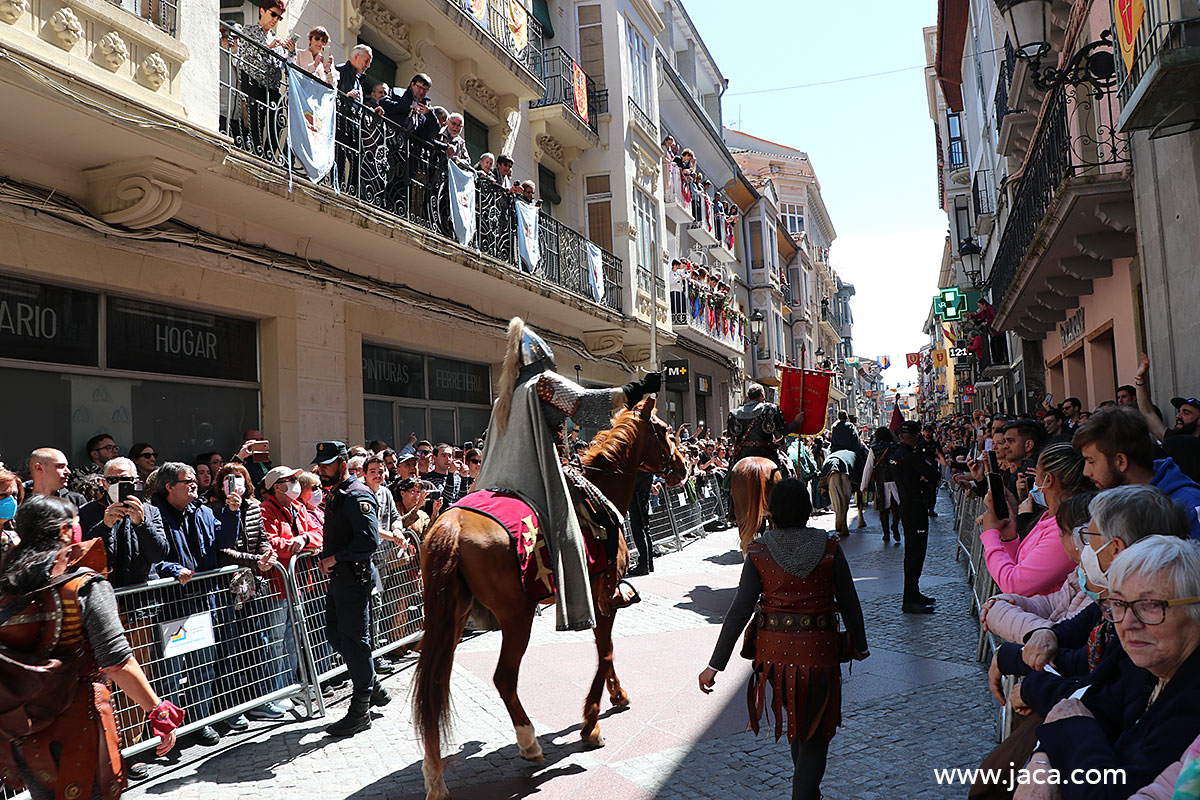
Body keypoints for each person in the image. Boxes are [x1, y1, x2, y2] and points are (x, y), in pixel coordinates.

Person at [472, 317, 661, 631]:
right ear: (543, 357)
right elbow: (585, 404)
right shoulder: (542, 383)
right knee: (610, 514)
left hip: (502, 480)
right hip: (547, 473)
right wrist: (638, 388)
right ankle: (608, 588)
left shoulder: (505, 397)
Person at [0, 496, 183, 800]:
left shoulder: (7, 585)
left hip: (24, 724)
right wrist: (158, 710)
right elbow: (116, 662)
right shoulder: (85, 585)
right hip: (79, 722)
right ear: (63, 531)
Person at [699, 479, 867, 800]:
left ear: (771, 512)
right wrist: (859, 643)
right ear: (807, 510)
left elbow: (739, 611)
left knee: (798, 721)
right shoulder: (829, 547)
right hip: (820, 654)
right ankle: (804, 794)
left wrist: (714, 665)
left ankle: (805, 793)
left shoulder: (760, 551)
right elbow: (849, 600)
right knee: (814, 733)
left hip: (774, 657)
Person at [1014, 536, 1200, 800]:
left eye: (1150, 606)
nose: (1127, 623)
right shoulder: (1147, 667)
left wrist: (1072, 727)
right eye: (1118, 604)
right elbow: (1086, 707)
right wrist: (1042, 759)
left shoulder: (1192, 702)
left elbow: (1109, 792)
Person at [311, 441, 389, 736]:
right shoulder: (337, 494)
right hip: (340, 578)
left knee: (355, 640)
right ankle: (371, 684)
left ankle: (360, 709)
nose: (321, 470)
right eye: (319, 465)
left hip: (354, 578)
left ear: (343, 464)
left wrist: (335, 557)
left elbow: (369, 542)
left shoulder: (356, 494)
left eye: (327, 464)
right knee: (334, 633)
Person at [979, 444, 1092, 597]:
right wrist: (1009, 538)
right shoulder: (1048, 517)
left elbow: (1014, 584)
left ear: (1048, 479)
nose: (1034, 482)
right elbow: (1020, 565)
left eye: (1037, 474)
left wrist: (990, 535)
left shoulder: (1064, 531)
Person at [1074, 406, 1200, 539]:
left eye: (1091, 461)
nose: (1086, 472)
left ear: (1121, 461)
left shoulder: (1191, 505)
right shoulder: (1113, 502)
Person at [78, 457, 168, 588]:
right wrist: (104, 526)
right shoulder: (87, 512)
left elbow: (158, 555)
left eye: (125, 480)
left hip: (141, 595)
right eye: (113, 480)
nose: (118, 484)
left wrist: (141, 524)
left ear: (136, 482)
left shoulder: (150, 511)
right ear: (104, 483)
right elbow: (84, 556)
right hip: (105, 591)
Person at [888, 420, 940, 613]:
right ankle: (909, 598)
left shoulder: (896, 455)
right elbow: (933, 475)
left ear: (900, 436)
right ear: (917, 437)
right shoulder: (912, 456)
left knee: (912, 552)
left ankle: (913, 592)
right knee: (916, 552)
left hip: (906, 505)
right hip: (916, 507)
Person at [236, 0, 294, 159]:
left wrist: (290, 52)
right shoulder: (249, 30)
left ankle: (268, 154)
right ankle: (255, 152)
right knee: (256, 120)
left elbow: (285, 66)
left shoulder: (277, 38)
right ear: (262, 11)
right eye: (273, 14)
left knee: (278, 121)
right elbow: (245, 53)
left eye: (279, 17)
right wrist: (268, 47)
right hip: (253, 80)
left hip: (272, 86)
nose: (275, 19)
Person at [860, 427, 901, 543]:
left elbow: (868, 468)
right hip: (895, 481)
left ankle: (886, 533)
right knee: (896, 506)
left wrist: (864, 485)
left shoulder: (874, 449)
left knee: (883, 510)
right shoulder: (896, 447)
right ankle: (895, 527)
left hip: (881, 481)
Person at [25, 448, 87, 513]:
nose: (68, 472)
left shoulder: (76, 500)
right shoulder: (18, 501)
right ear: (39, 468)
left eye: (66, 466)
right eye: (60, 466)